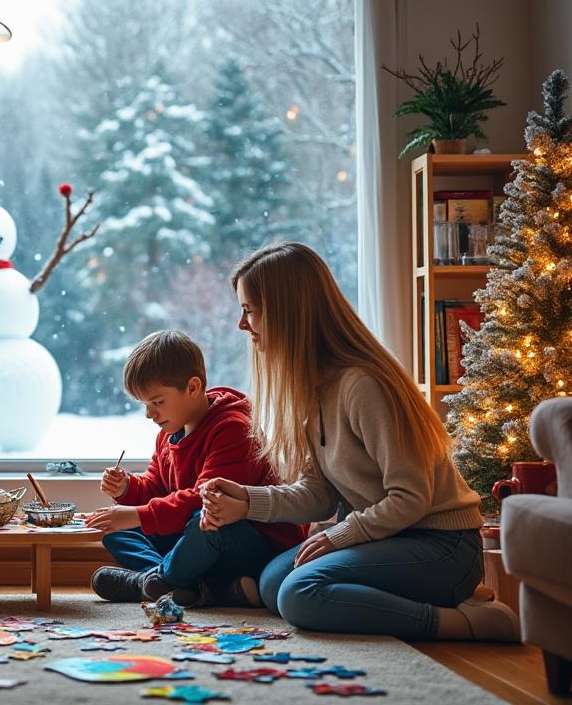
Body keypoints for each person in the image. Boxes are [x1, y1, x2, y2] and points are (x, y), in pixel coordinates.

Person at [200, 242, 518, 641]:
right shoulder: (311, 387)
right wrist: (247, 501)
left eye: (248, 310)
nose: (242, 325)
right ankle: (438, 598)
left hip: (443, 545)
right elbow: (319, 495)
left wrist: (336, 537)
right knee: (272, 584)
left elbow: (410, 497)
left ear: (285, 312)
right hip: (391, 536)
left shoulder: (362, 384)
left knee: (299, 594)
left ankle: (464, 622)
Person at [86, 330, 304, 606]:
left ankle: (152, 581)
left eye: (157, 402)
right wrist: (128, 487)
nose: (149, 414)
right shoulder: (169, 431)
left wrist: (138, 514)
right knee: (115, 530)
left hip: (252, 542)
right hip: (195, 539)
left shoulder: (234, 429)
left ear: (192, 388)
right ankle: (192, 586)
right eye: (145, 404)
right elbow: (157, 487)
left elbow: (204, 500)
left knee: (207, 520)